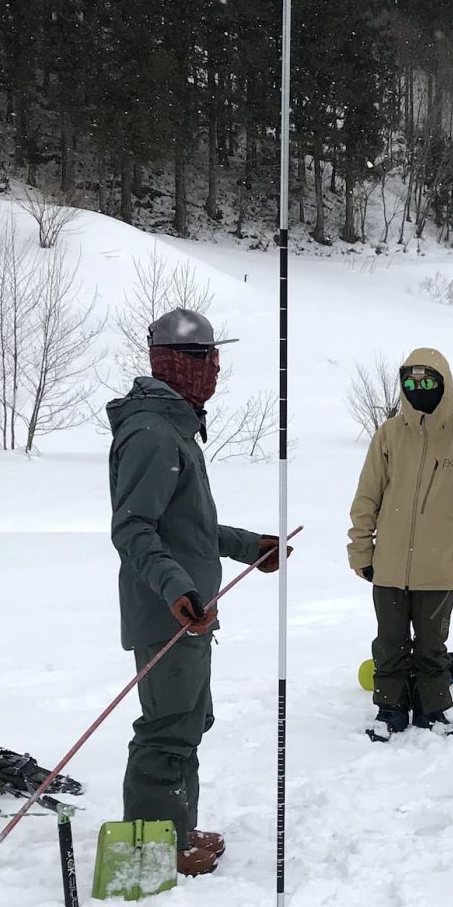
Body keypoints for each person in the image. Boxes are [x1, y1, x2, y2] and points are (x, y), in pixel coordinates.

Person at [107, 307, 284, 877]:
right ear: (173, 364)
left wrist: (247, 546)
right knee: (166, 731)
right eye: (205, 359)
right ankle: (153, 850)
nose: (214, 370)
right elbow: (133, 527)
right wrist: (177, 588)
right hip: (168, 613)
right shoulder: (153, 433)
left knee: (187, 722)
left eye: (214, 359)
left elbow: (190, 529)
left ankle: (175, 830)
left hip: (188, 612)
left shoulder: (175, 428)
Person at [347, 347, 453, 738]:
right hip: (388, 564)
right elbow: (367, 497)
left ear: (444, 384)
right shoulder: (389, 434)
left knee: (431, 648)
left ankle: (433, 710)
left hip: (439, 567)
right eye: (411, 382)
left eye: (427, 382)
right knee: (389, 643)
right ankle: (390, 709)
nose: (418, 389)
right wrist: (360, 549)